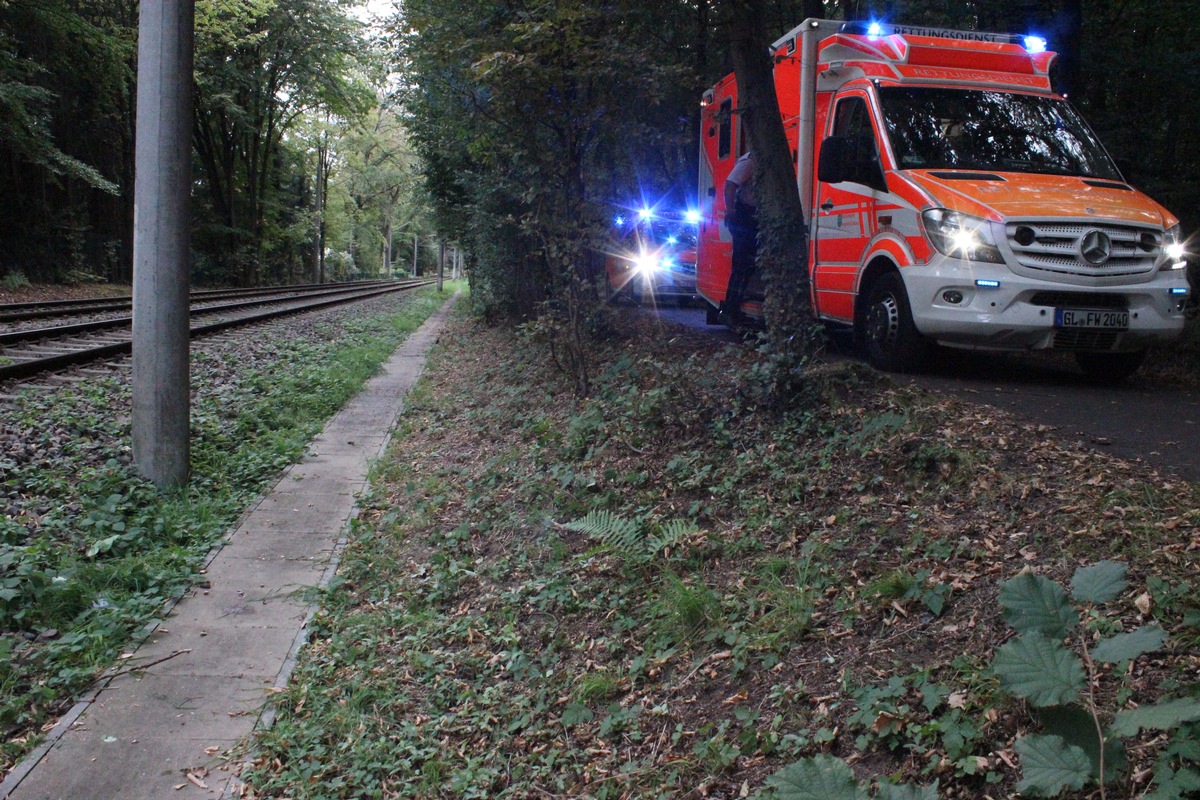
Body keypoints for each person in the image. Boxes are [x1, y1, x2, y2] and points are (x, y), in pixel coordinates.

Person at [723, 149, 756, 323]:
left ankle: (734, 308)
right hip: (745, 216)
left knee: (745, 263)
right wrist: (731, 211)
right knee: (742, 263)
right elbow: (730, 184)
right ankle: (731, 310)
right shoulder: (750, 161)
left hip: (748, 216)